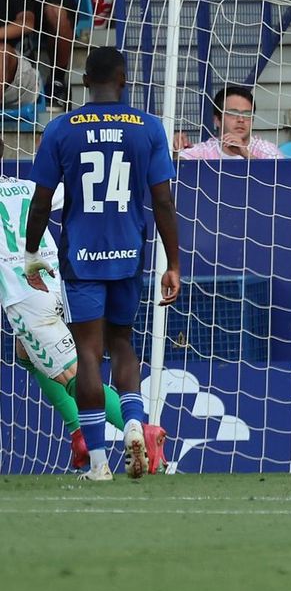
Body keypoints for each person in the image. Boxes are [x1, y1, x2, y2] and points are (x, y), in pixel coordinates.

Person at [25, 46, 181, 481]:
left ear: (85, 81)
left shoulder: (60, 129)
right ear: (124, 80)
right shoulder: (148, 128)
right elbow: (163, 202)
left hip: (82, 257)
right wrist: (174, 264)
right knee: (123, 344)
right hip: (129, 253)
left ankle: (99, 464)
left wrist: (33, 252)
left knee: (88, 352)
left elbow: (41, 203)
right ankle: (134, 424)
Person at [1, 172, 139, 473]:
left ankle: (143, 430)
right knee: (27, 354)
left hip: (26, 296)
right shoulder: (26, 186)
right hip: (59, 281)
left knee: (74, 376)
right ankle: (78, 433)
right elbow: (78, 191)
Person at [175, 85, 284, 160]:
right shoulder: (204, 151)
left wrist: (246, 154)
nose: (241, 119)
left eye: (246, 114)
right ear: (217, 120)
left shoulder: (266, 149)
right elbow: (177, 173)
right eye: (232, 113)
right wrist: (173, 151)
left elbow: (281, 180)